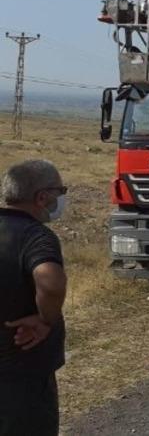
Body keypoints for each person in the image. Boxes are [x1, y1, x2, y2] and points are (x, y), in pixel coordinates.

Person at [0, 160, 68, 436]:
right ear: (42, 197)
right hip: (22, 371)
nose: (62, 198)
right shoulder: (36, 236)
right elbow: (50, 283)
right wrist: (45, 319)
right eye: (60, 191)